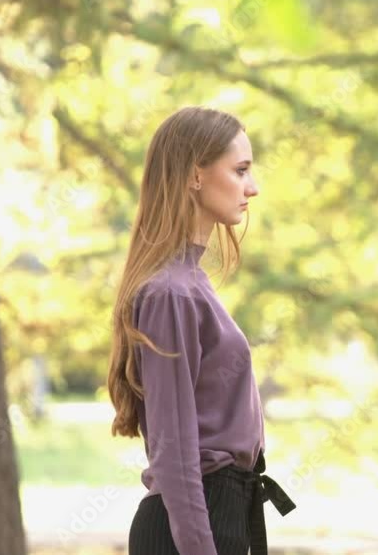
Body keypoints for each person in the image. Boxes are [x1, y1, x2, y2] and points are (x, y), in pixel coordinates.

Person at [107, 107, 295, 555]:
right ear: (195, 176)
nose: (253, 187)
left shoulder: (191, 282)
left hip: (221, 514)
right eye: (241, 170)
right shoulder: (171, 292)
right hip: (193, 525)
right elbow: (174, 448)